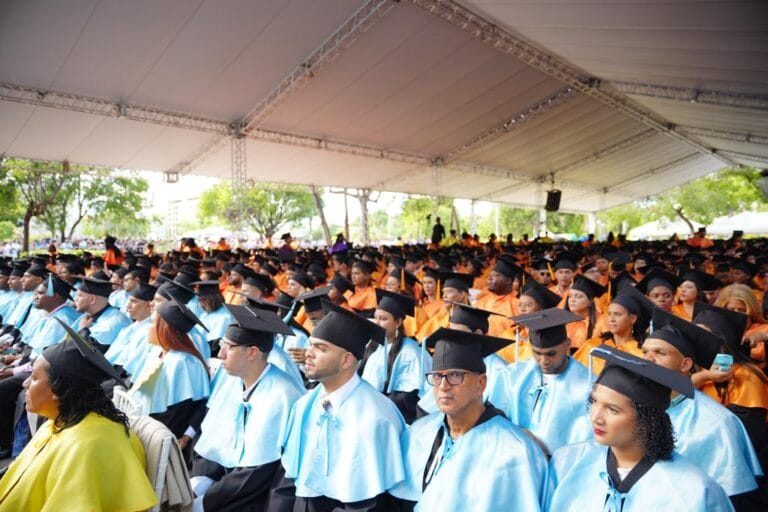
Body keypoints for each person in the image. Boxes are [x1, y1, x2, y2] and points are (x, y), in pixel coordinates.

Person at [546, 345, 734, 512]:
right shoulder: (567, 463)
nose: (596, 417)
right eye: (594, 401)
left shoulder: (694, 492)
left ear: (646, 419)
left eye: (613, 409)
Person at [0, 323, 157, 511]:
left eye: (34, 378)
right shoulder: (60, 422)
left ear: (58, 389)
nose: (25, 384)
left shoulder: (87, 445)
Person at [390, 328, 548, 511]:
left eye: (455, 375)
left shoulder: (515, 450)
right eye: (437, 376)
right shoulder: (418, 432)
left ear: (481, 383)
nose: (443, 386)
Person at [280, 300, 406, 511]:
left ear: (346, 360)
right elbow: (290, 478)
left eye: (320, 348)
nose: (308, 353)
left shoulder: (376, 417)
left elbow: (367, 500)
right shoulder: (304, 405)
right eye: (310, 345)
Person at [641, 306, 762, 504]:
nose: (648, 359)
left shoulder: (719, 419)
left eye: (659, 352)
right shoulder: (643, 400)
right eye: (645, 352)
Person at [191, 305, 305, 512]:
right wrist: (201, 479)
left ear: (252, 352)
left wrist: (207, 500)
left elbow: (259, 468)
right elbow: (216, 437)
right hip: (227, 484)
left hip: (257, 495)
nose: (221, 354)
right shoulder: (234, 381)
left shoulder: (283, 395)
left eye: (229, 347)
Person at [487, 308, 593, 455]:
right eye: (537, 353)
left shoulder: (587, 385)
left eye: (551, 354)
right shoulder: (512, 376)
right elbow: (493, 419)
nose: (544, 361)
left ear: (567, 344)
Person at [128, 296, 210, 442]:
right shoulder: (158, 352)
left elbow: (177, 413)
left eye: (152, 323)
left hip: (159, 434)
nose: (148, 328)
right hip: (141, 421)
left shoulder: (184, 363)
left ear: (165, 329)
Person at [361, 289, 432, 423]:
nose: (377, 323)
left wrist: (378, 407)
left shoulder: (410, 352)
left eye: (383, 319)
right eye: (376, 317)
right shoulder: (373, 345)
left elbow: (407, 397)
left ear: (398, 322)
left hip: (393, 416)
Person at [574, 283, 650, 375]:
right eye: (609, 314)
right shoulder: (593, 345)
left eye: (618, 314)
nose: (612, 319)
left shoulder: (641, 353)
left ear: (633, 319)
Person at [71, 276, 131, 352]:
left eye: (80, 296)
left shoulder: (115, 321)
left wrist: (82, 330)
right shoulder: (87, 317)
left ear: (92, 299)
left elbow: (90, 351)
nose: (75, 299)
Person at [473, 258, 520, 336]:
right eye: (490, 275)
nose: (489, 279)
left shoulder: (518, 303)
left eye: (496, 275)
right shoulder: (482, 301)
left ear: (508, 281)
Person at [564, 275, 607, 350]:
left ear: (590, 301)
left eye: (578, 296)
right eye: (570, 296)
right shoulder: (565, 321)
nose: (572, 300)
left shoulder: (603, 322)